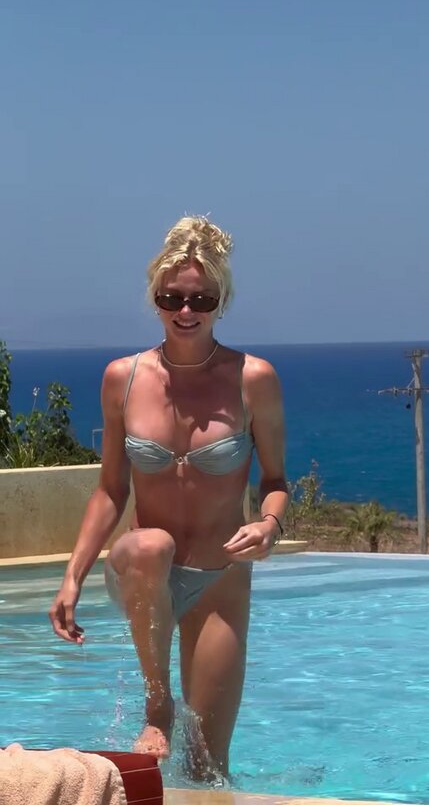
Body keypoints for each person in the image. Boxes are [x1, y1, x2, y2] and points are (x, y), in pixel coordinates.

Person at [49, 215, 289, 781]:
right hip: (143, 573)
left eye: (201, 299)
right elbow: (111, 489)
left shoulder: (253, 379)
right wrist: (72, 577)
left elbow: (276, 481)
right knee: (150, 544)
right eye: (171, 297)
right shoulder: (123, 378)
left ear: (220, 302)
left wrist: (269, 527)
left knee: (208, 769)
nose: (186, 310)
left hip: (220, 578)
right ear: (154, 298)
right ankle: (157, 704)